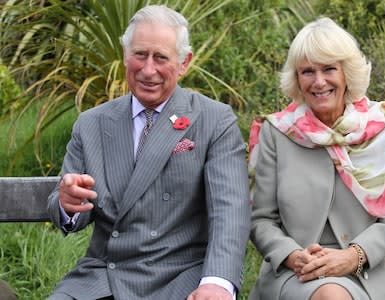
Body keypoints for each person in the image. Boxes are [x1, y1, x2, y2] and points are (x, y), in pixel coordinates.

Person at [47, 5, 250, 300]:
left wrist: (217, 282)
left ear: (184, 63)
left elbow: (229, 210)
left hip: (182, 275)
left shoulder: (214, 120)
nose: (148, 70)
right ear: (125, 55)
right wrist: (66, 203)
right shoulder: (91, 124)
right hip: (106, 274)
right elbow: (70, 212)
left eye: (161, 58)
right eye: (140, 55)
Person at [247, 17, 385, 300]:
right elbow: (261, 220)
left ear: (346, 74)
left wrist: (353, 256)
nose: (319, 82)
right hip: (299, 273)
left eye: (329, 69)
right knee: (331, 296)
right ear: (296, 78)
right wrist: (293, 256)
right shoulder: (276, 132)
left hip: (374, 269)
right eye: (307, 71)